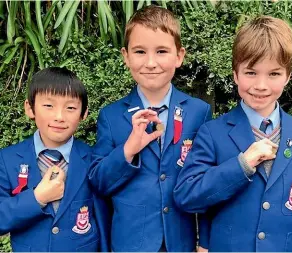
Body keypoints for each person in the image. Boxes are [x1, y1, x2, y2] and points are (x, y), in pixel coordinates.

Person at [174, 16, 292, 252]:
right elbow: (187, 195)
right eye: (251, 73)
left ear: (288, 76)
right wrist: (242, 164)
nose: (261, 85)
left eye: (274, 74)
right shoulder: (213, 132)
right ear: (235, 74)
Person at [89, 5, 212, 252]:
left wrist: (205, 242)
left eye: (162, 51)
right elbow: (99, 182)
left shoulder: (199, 112)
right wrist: (128, 150)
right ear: (126, 56)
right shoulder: (111, 116)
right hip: (131, 243)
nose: (151, 62)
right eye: (140, 51)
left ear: (179, 56)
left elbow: (206, 182)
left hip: (181, 242)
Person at [0, 67, 109, 252]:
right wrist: (37, 198)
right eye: (49, 106)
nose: (59, 117)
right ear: (30, 108)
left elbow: (106, 215)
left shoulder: (93, 159)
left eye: (71, 108)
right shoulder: (7, 159)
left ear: (84, 113)